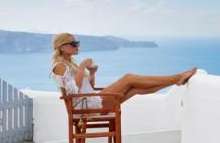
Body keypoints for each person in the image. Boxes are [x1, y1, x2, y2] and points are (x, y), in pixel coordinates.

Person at [50, 32, 197, 112]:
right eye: (74, 44)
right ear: (62, 47)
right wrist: (82, 67)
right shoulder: (59, 66)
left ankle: (175, 80)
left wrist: (92, 73)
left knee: (135, 89)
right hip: (87, 108)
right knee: (128, 78)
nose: (77, 46)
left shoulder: (70, 64)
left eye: (78, 43)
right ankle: (177, 78)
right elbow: (73, 93)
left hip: (91, 101)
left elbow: (87, 87)